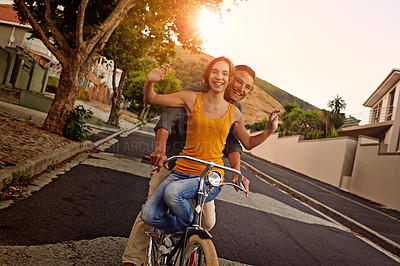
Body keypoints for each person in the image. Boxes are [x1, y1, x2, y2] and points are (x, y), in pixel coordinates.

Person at [122, 63, 262, 266]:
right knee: (153, 205)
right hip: (173, 161)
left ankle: (181, 245)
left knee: (206, 222)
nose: (240, 88)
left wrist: (236, 170)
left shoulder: (235, 109)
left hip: (205, 170)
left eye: (246, 86)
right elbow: (167, 120)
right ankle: (133, 259)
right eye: (238, 81)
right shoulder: (194, 93)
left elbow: (234, 142)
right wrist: (160, 150)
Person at [140, 57, 280, 234]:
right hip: (179, 170)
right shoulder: (191, 97)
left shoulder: (234, 112)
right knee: (148, 215)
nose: (219, 77)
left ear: (229, 79)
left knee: (173, 193)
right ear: (208, 75)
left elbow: (247, 143)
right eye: (214, 71)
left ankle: (190, 231)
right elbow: (151, 98)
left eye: (225, 74)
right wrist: (149, 81)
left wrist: (270, 129)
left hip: (209, 177)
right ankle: (187, 230)